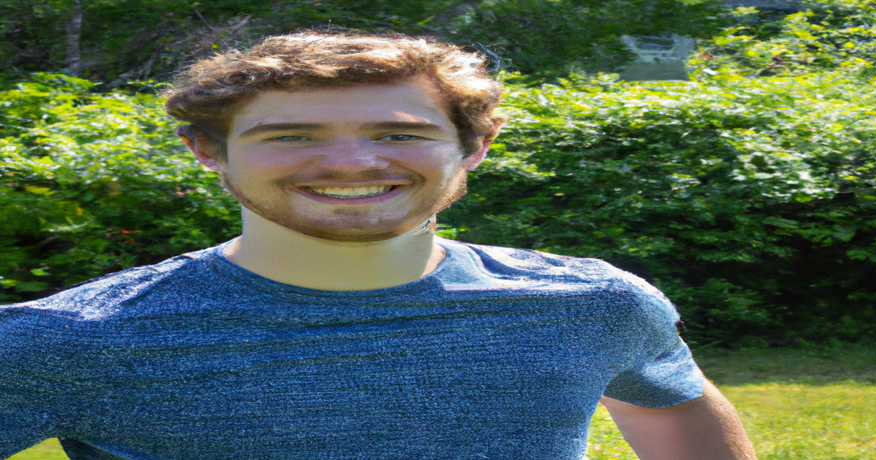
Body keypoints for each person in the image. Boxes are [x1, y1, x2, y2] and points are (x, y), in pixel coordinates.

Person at [0, 32, 756, 460]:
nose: (352, 164)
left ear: (475, 146)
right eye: (290, 136)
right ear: (208, 151)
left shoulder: (594, 304)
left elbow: (676, 416)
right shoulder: (69, 338)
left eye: (400, 133)